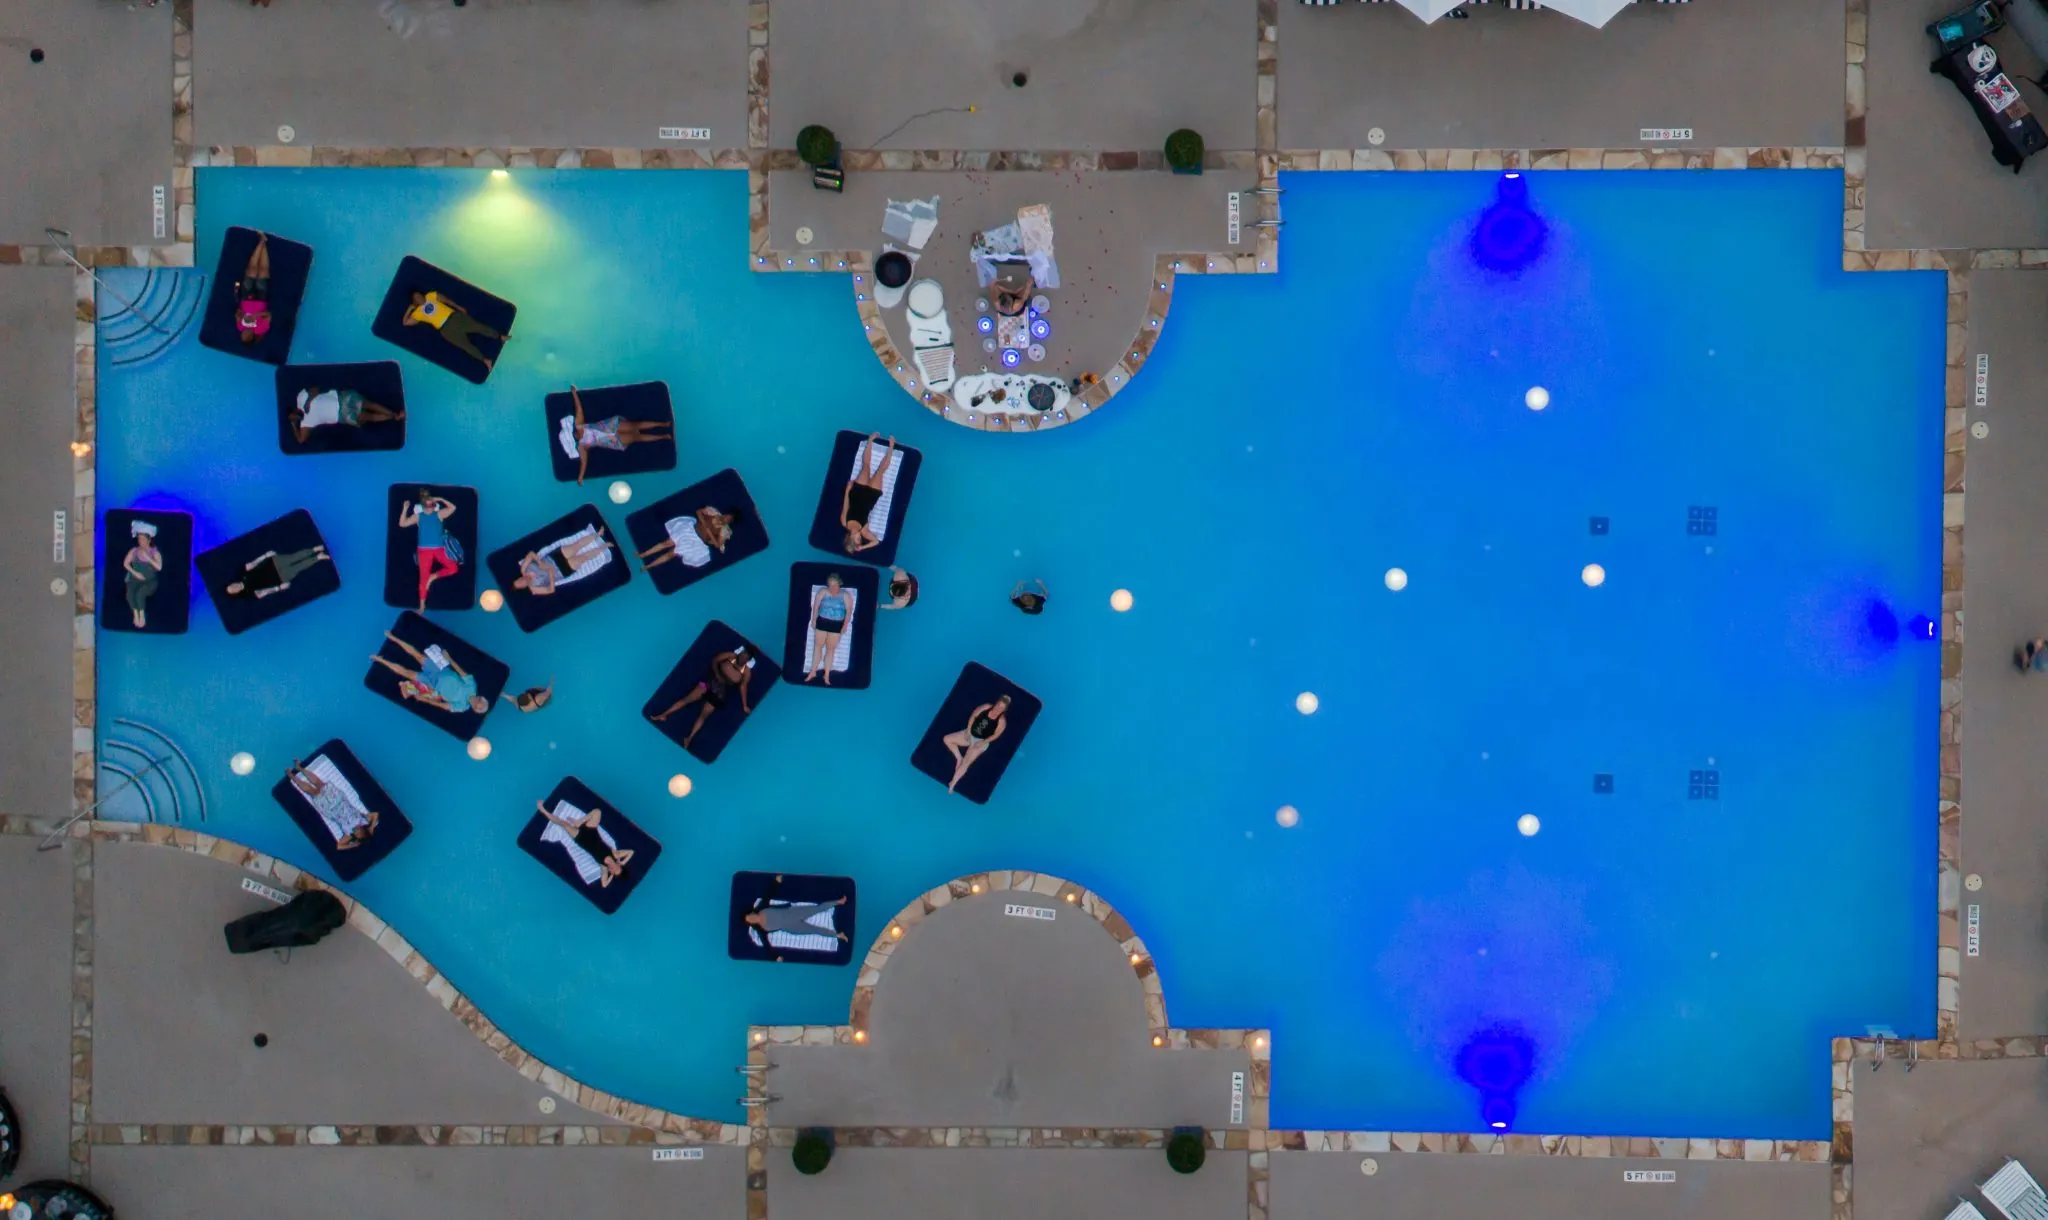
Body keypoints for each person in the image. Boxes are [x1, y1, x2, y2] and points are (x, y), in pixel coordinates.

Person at [560, 385, 671, 485]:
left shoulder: (579, 425)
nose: (576, 434)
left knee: (635, 426)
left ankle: (662, 424)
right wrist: (580, 477)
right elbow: (584, 462)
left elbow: (579, 408)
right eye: (575, 437)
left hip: (610, 426)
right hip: (611, 441)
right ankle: (663, 436)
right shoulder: (581, 446)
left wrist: (574, 394)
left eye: (574, 433)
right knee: (636, 437)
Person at [649, 646, 755, 749]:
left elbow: (743, 687)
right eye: (742, 655)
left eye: (745, 657)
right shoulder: (730, 655)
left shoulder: (746, 672)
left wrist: (744, 705)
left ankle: (689, 739)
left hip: (719, 693)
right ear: (740, 653)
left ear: (748, 660)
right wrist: (717, 674)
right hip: (709, 683)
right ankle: (663, 715)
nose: (742, 658)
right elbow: (715, 660)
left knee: (703, 715)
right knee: (686, 700)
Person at [370, 631, 491, 715]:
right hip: (440, 670)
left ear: (474, 709)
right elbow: (460, 671)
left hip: (432, 684)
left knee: (407, 673)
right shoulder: (472, 686)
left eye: (476, 708)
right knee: (417, 655)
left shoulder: (462, 707)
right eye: (478, 704)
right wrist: (449, 659)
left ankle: (380, 659)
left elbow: (443, 706)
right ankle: (393, 637)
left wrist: (425, 700)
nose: (475, 705)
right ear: (480, 699)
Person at [741, 873, 851, 960]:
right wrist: (776, 957)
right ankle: (838, 935)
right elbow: (767, 946)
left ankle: (839, 902)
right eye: (750, 920)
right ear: (752, 923)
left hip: (793, 912)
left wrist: (776, 882)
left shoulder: (762, 908)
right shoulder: (761, 929)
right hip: (792, 927)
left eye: (750, 916)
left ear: (752, 913)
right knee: (815, 930)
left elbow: (768, 894)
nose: (752, 918)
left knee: (817, 909)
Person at [402, 289, 508, 373]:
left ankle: (500, 337)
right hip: (445, 330)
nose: (419, 297)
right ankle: (485, 360)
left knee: (478, 327)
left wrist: (459, 307)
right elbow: (405, 323)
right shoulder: (417, 313)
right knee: (466, 346)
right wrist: (410, 308)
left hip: (454, 317)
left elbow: (446, 300)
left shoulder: (430, 296)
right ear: (414, 302)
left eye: (419, 295)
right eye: (416, 298)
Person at [539, 798, 634, 888]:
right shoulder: (616, 854)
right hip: (592, 831)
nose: (613, 868)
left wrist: (611, 877)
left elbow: (604, 884)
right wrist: (623, 861)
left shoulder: (603, 867)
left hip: (580, 838)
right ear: (619, 865)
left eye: (613, 871)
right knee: (597, 812)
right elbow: (631, 852)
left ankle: (543, 810)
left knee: (563, 824)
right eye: (616, 868)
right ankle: (579, 822)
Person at [285, 758, 379, 849]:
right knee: (319, 783)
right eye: (360, 833)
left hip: (330, 809)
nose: (357, 833)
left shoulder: (349, 834)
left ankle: (291, 776)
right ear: (364, 830)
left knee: (312, 791)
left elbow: (339, 846)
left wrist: (353, 845)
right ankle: (300, 768)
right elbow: (376, 814)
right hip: (339, 799)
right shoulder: (363, 820)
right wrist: (371, 829)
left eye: (357, 836)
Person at [398, 490, 462, 610]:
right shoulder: (419, 516)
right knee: (423, 578)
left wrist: (440, 499)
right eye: (427, 505)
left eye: (432, 504)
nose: (430, 507)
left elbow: (453, 507)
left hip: (439, 549)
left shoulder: (439, 514)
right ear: (422, 506)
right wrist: (405, 508)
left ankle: (433, 577)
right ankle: (422, 606)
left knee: (453, 568)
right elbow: (402, 523)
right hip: (424, 551)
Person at [513, 524, 613, 595]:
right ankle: (604, 547)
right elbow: (550, 590)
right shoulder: (534, 588)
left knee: (576, 546)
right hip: (560, 571)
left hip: (554, 558)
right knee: (583, 557)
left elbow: (531, 554)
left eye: (519, 579)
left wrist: (540, 563)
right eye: (521, 583)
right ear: (524, 587)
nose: (522, 580)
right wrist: (551, 575)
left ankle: (598, 534)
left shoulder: (524, 569)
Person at [840, 433, 897, 554]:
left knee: (866, 466)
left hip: (857, 492)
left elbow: (846, 505)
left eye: (858, 540)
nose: (860, 538)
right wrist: (862, 548)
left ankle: (870, 440)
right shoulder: (864, 530)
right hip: (872, 496)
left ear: (851, 538)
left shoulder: (844, 522)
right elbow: (876, 541)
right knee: (880, 472)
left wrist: (847, 489)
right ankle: (891, 446)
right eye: (860, 540)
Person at [942, 694, 1011, 794]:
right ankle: (958, 758)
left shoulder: (1001, 721)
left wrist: (983, 742)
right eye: (998, 705)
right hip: (970, 733)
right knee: (947, 739)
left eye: (1001, 708)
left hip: (981, 742)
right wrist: (969, 732)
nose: (998, 709)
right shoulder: (986, 707)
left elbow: (996, 735)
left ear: (1004, 710)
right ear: (996, 703)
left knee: (966, 763)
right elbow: (973, 716)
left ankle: (953, 783)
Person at [638, 506, 742, 571]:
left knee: (672, 554)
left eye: (726, 521)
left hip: (696, 542)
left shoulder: (724, 531)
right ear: (725, 514)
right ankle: (644, 554)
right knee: (667, 543)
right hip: (689, 530)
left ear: (729, 523)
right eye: (724, 517)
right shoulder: (713, 512)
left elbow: (717, 545)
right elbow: (699, 511)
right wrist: (705, 523)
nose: (723, 520)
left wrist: (710, 534)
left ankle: (649, 566)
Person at [290, 385, 403, 443]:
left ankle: (394, 414)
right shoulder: (305, 423)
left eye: (293, 414)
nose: (296, 417)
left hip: (341, 398)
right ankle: (395, 417)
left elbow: (316, 388)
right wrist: (294, 425)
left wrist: (309, 400)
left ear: (294, 409)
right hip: (341, 416)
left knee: (369, 405)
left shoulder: (301, 397)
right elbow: (301, 440)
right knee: (370, 417)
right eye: (293, 418)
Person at [223, 544, 329, 599]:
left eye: (232, 586)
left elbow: (254, 562)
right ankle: (318, 557)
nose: (234, 587)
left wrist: (266, 555)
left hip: (273, 563)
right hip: (279, 578)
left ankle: (314, 550)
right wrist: (279, 588)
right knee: (299, 567)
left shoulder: (242, 573)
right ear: (236, 593)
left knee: (294, 557)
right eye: (233, 590)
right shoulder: (250, 593)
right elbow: (265, 592)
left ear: (232, 583)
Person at [805, 571, 852, 685]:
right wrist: (814, 620)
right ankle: (813, 671)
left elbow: (849, 612)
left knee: (830, 649)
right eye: (830, 585)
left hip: (836, 625)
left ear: (839, 584)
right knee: (818, 646)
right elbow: (815, 607)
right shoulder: (823, 592)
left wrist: (845, 625)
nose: (832, 588)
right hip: (822, 622)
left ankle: (826, 675)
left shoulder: (845, 595)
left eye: (835, 585)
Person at [121, 520, 164, 629]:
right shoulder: (134, 551)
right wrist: (135, 573)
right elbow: (125, 563)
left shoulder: (154, 552)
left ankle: (142, 615)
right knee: (130, 594)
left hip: (150, 582)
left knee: (140, 594)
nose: (141, 541)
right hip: (135, 579)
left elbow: (159, 568)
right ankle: (135, 615)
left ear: (149, 540)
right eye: (139, 539)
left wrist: (149, 558)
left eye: (143, 539)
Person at [235, 233, 273, 345]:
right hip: (261, 299)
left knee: (251, 270)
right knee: (263, 272)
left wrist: (242, 315)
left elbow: (237, 313)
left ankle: (261, 242)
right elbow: (269, 315)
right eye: (244, 336)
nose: (243, 334)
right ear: (249, 337)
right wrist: (256, 315)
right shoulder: (261, 329)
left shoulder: (240, 326)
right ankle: (263, 243)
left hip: (246, 298)